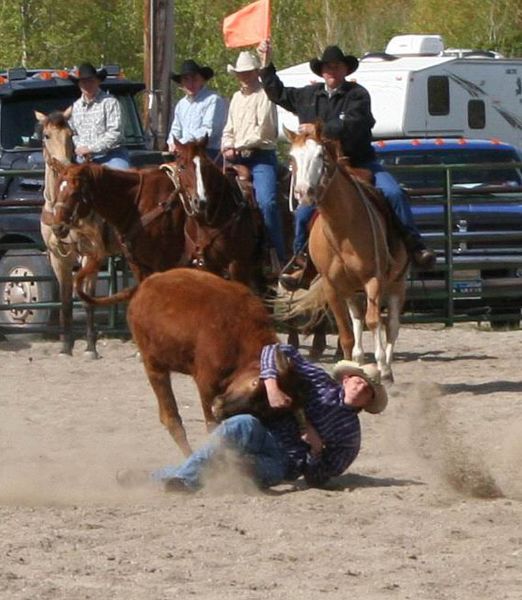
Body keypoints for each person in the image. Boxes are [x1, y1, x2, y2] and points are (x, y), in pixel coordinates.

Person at [256, 41, 436, 291]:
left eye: (336, 67)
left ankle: (415, 246)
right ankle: (301, 262)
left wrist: (318, 129)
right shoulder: (309, 96)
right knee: (303, 213)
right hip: (325, 171)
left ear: (345, 70)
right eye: (327, 67)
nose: (331, 71)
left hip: (360, 163)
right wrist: (265, 65)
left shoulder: (357, 95)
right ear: (321, 72)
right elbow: (278, 93)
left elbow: (355, 123)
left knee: (394, 193)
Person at [118, 344, 388, 492]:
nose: (361, 388)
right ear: (347, 378)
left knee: (231, 465)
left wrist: (316, 450)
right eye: (360, 382)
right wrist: (271, 386)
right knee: (239, 424)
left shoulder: (350, 436)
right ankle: (180, 481)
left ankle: (155, 479)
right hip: (262, 431)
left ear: (368, 403)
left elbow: (319, 478)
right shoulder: (318, 380)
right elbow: (274, 349)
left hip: (284, 463)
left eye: (368, 391)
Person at [221, 51, 287, 268]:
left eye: (248, 72)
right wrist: (226, 144)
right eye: (241, 73)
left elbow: (264, 133)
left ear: (256, 72)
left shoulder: (266, 95)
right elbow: (228, 128)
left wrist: (236, 145)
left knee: (267, 202)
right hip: (236, 158)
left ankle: (278, 254)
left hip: (261, 157)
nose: (245, 76)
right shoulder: (236, 98)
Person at [69, 62, 130, 169]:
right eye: (83, 82)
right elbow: (73, 133)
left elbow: (115, 134)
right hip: (83, 159)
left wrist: (90, 148)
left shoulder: (110, 102)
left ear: (98, 81)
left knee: (121, 175)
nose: (87, 85)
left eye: (90, 81)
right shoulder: (76, 106)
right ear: (79, 84)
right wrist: (79, 147)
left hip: (112, 156)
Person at [166, 59, 227, 163]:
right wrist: (172, 143)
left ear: (202, 80)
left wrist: (181, 143)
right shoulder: (181, 104)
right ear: (181, 83)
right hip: (184, 153)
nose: (190, 84)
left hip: (208, 152)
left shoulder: (213, 99)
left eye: (194, 79)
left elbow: (209, 131)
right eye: (186, 80)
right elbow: (176, 129)